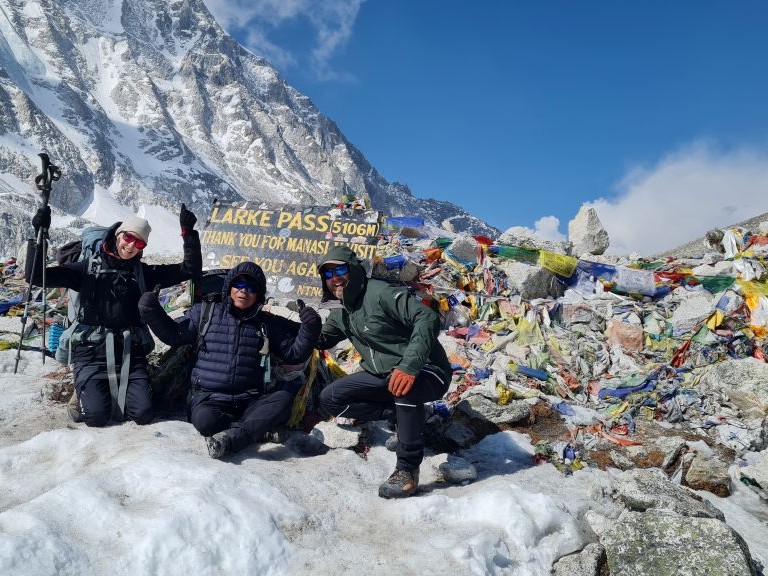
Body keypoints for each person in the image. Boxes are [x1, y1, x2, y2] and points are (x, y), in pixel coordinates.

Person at [25, 204, 202, 427]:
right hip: (90, 353)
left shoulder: (143, 273)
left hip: (130, 353)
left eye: (139, 243)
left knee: (144, 414)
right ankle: (83, 392)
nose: (130, 246)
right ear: (118, 234)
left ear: (142, 248)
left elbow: (189, 270)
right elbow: (34, 276)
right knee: (96, 417)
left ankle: (102, 389)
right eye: (128, 237)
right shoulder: (86, 270)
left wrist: (188, 234)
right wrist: (39, 236)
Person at [137, 261, 322, 459]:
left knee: (283, 400)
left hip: (250, 399)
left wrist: (310, 329)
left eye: (251, 288)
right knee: (205, 422)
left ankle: (232, 439)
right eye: (239, 285)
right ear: (229, 287)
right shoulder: (205, 313)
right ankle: (255, 429)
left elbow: (294, 355)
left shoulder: (266, 323)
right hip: (209, 398)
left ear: (259, 295)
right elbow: (174, 335)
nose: (244, 292)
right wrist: (150, 309)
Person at [315, 246, 452, 498]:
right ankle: (402, 416)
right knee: (330, 398)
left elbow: (427, 317)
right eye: (328, 273)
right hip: (382, 375)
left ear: (354, 271)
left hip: (427, 369)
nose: (334, 277)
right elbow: (322, 340)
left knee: (404, 388)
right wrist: (306, 327)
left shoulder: (380, 292)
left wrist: (409, 367)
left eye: (340, 269)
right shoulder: (340, 311)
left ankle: (407, 470)